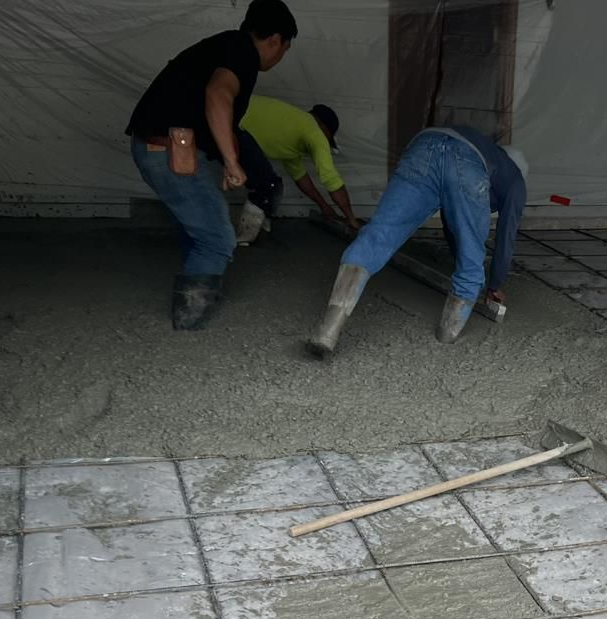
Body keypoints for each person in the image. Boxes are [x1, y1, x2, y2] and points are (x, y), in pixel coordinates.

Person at [125, 0, 298, 330]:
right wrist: (232, 164)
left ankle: (197, 282)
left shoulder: (224, 46)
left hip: (161, 145)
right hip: (169, 150)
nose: (279, 58)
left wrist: (226, 155)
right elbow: (218, 96)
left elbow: (224, 120)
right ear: (275, 40)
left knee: (199, 223)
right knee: (218, 238)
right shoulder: (242, 53)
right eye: (284, 49)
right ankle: (189, 315)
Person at [307, 127, 527, 357]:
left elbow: (450, 222)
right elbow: (507, 235)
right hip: (466, 161)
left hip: (423, 147)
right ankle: (446, 337)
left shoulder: (490, 151)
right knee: (473, 258)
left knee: (378, 234)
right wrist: (494, 284)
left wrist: (457, 249)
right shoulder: (516, 179)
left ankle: (327, 330)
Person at [236, 97, 360, 243]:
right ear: (323, 128)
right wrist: (351, 219)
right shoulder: (314, 131)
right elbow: (332, 180)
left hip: (233, 116)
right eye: (327, 138)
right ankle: (244, 237)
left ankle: (258, 226)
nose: (325, 142)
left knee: (271, 183)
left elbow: (301, 178)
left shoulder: (295, 133)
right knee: (268, 186)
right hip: (233, 121)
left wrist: (324, 206)